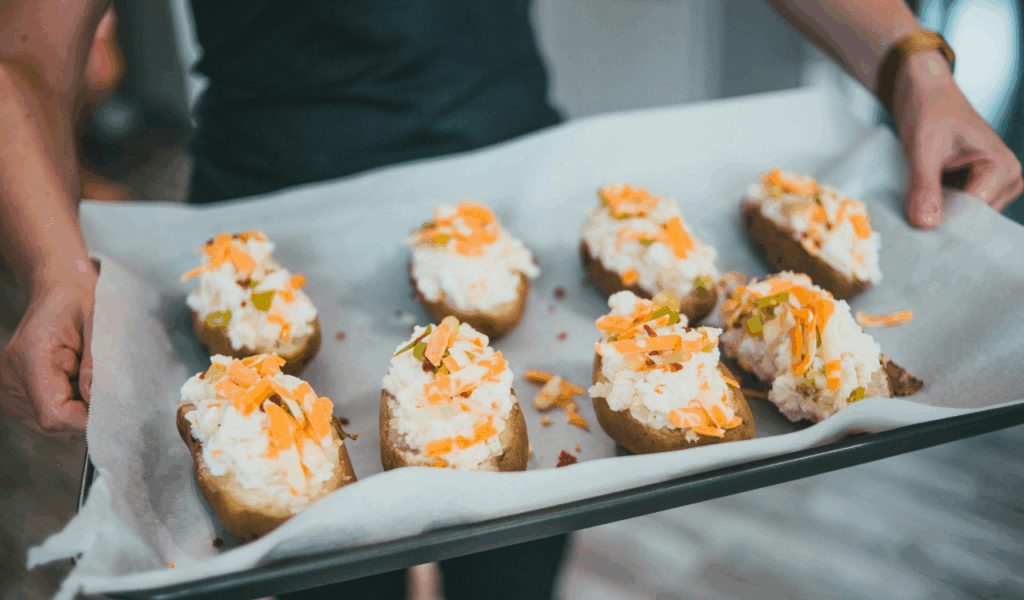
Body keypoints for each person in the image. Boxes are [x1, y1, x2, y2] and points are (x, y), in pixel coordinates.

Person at [0, 1, 1021, 599]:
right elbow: (27, 47)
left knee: (515, 568)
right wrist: (55, 265)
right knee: (312, 579)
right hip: (264, 201)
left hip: (518, 191)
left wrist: (911, 65)